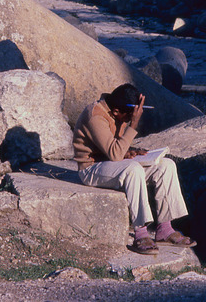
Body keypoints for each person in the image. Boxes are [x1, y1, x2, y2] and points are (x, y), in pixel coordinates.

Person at [72, 83, 196, 255]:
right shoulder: (95, 115)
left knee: (166, 165)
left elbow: (115, 150)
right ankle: (141, 233)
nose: (129, 120)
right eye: (128, 117)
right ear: (116, 112)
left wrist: (131, 152)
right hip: (91, 168)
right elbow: (115, 153)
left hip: (112, 163)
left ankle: (165, 229)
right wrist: (134, 124)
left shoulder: (118, 109)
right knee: (133, 169)